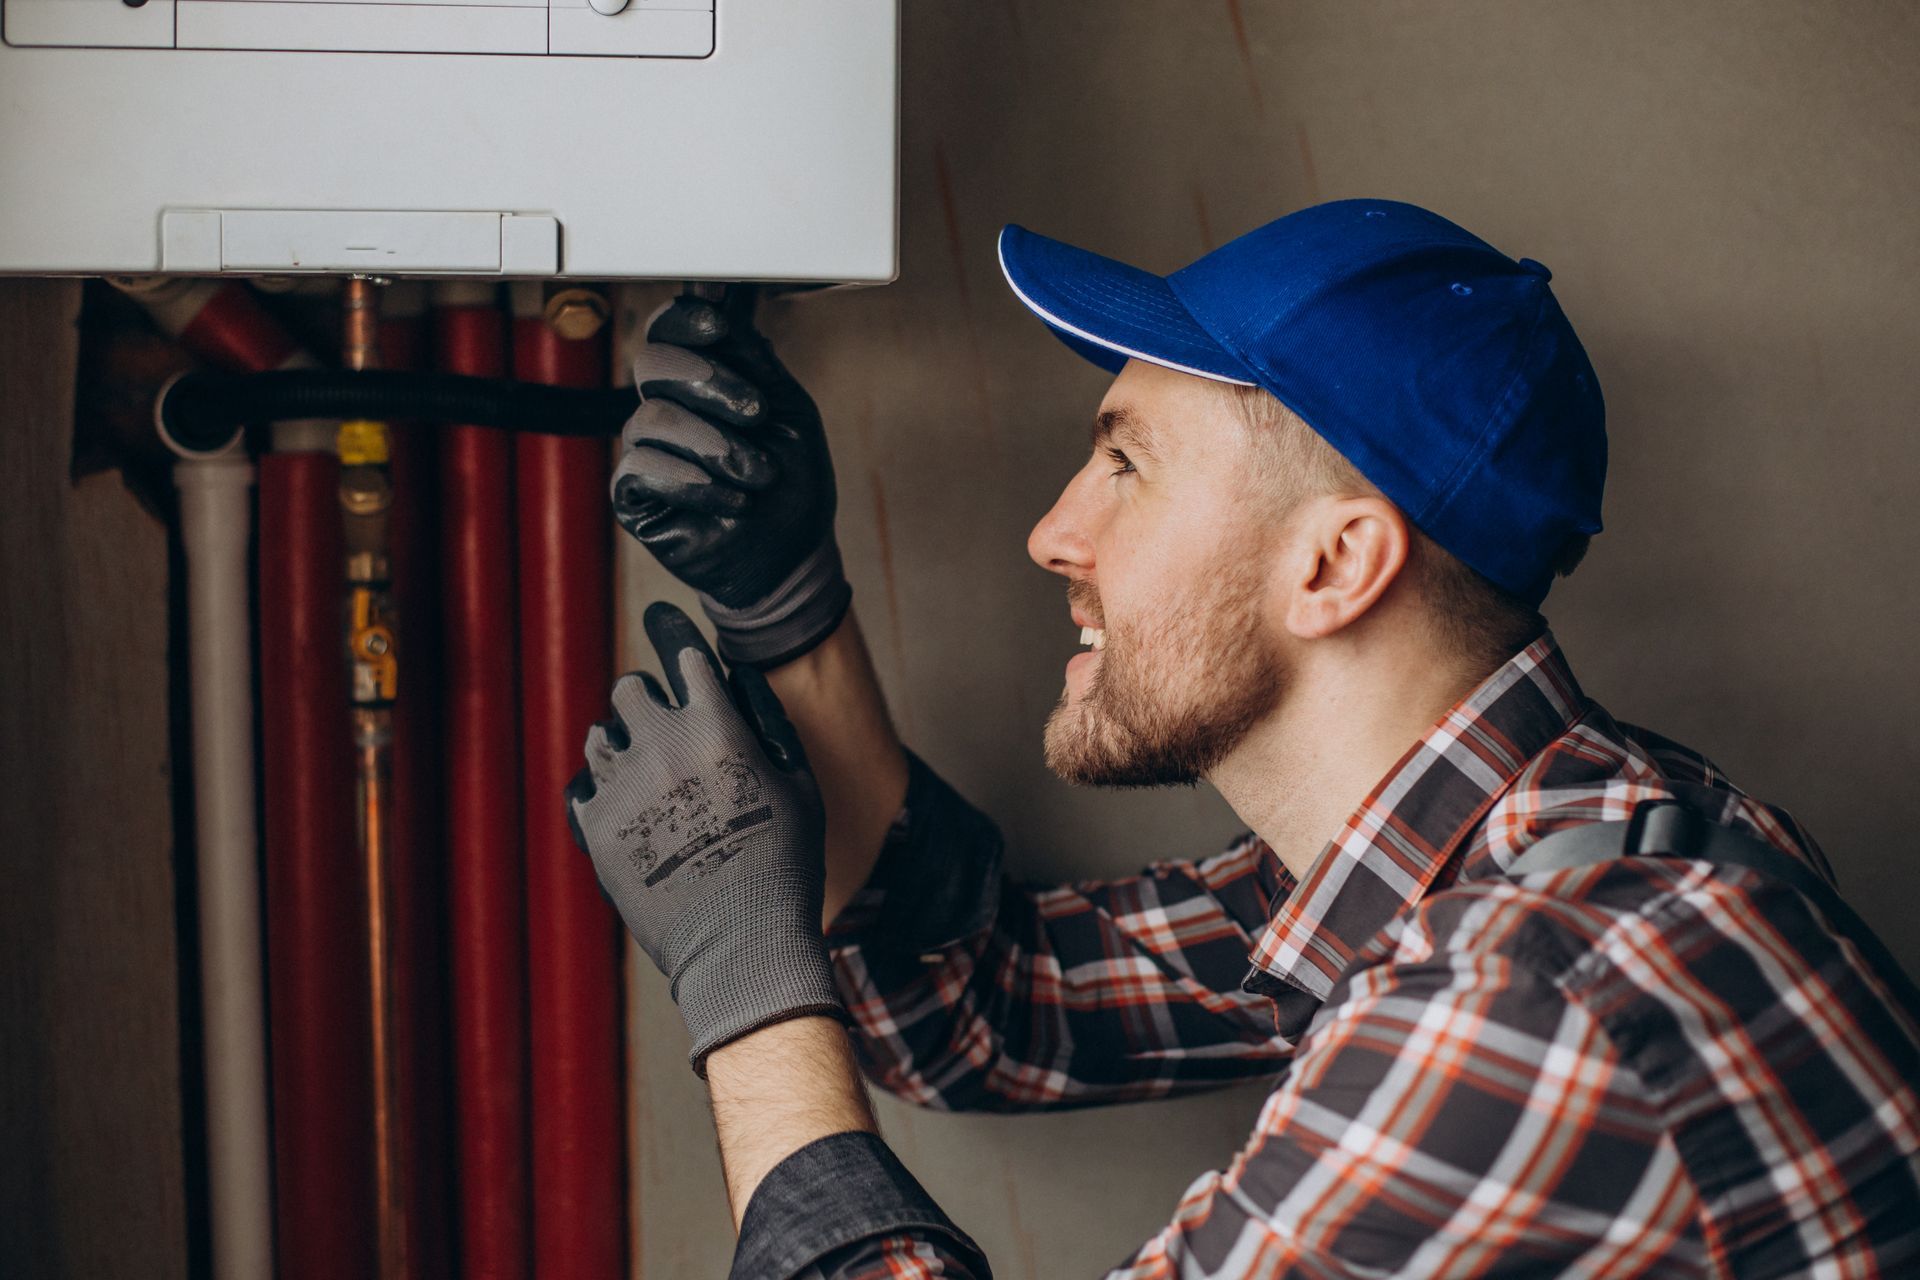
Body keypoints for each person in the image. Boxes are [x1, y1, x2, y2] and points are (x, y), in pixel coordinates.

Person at [565, 199, 1920, 1278]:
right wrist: (785, 601)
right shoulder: (1545, 827)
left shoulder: (1537, 998)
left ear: (1335, 566)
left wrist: (745, 976)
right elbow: (988, 1013)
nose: (1054, 534)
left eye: (1125, 463)